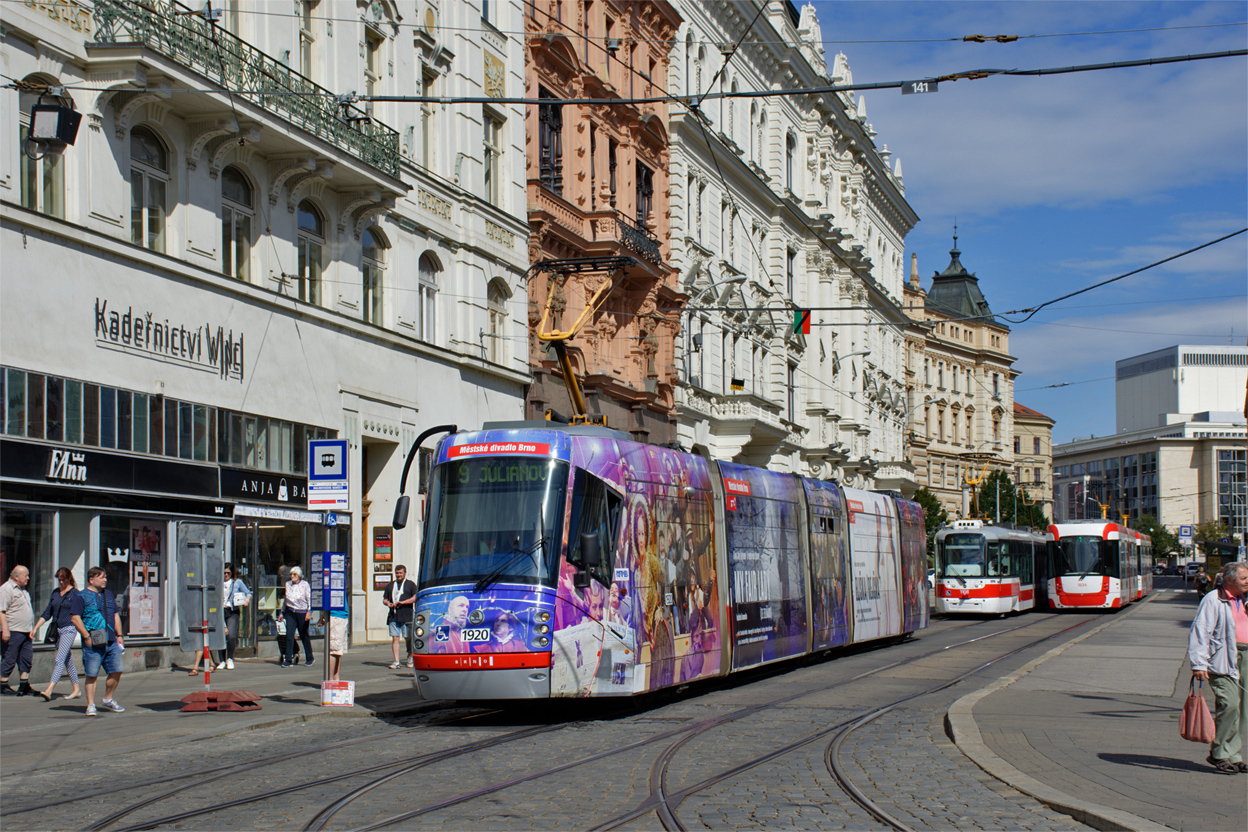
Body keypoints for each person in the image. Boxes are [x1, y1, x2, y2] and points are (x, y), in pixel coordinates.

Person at [1188, 561, 1248, 774]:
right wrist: (1198, 664)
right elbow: (1200, 630)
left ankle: (1233, 754)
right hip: (1222, 660)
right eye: (1244, 578)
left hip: (1245, 657)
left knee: (1243, 710)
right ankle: (1218, 753)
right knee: (1229, 705)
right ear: (1229, 580)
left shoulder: (1244, 599)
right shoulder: (1213, 599)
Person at [71, 566, 125, 716]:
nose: (105, 580)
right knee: (92, 674)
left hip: (111, 640)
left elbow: (115, 615)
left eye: (105, 577)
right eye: (101, 577)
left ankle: (107, 699)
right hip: (93, 640)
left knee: (117, 670)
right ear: (91, 579)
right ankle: (90, 705)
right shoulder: (82, 596)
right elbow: (75, 618)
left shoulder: (108, 594)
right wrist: (86, 636)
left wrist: (120, 635)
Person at [33, 567, 81, 701]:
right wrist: (36, 628)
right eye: (59, 580)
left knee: (59, 659)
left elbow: (80, 613)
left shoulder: (75, 594)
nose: (61, 582)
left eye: (63, 579)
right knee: (67, 660)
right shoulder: (55, 593)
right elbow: (47, 612)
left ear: (69, 578)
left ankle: (49, 690)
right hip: (57, 631)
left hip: (69, 629)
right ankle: (76, 689)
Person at [0, 565, 35, 696]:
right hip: (13, 630)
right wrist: (5, 629)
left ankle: (24, 685)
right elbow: (1, 611)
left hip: (26, 631)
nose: (28, 578)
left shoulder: (23, 590)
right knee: (9, 657)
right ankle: (2, 685)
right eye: (25, 576)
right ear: (16, 577)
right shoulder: (6, 589)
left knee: (26, 658)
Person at [215, 565, 251, 670]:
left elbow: (248, 592)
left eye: (228, 573)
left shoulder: (237, 582)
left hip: (232, 611)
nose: (226, 575)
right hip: (221, 610)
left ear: (232, 573)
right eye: (224, 573)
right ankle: (222, 660)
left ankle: (229, 658)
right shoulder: (218, 583)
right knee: (221, 636)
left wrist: (246, 600)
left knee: (231, 635)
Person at [277, 566, 313, 667]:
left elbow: (309, 598)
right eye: (291, 574)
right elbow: (286, 599)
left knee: (303, 634)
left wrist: (309, 611)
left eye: (294, 574)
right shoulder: (288, 584)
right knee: (289, 635)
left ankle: (310, 657)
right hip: (290, 611)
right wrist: (282, 612)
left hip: (302, 612)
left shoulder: (305, 584)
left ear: (299, 576)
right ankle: (288, 659)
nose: (292, 576)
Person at [382, 565, 416, 669]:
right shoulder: (390, 585)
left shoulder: (410, 584)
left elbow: (415, 597)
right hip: (394, 615)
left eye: (400, 573)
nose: (399, 575)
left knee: (408, 638)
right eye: (397, 573)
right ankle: (396, 661)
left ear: (405, 573)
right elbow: (385, 599)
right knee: (395, 638)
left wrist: (404, 602)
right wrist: (388, 603)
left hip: (407, 615)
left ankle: (410, 657)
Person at [318, 598, 349, 681]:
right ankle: (330, 679)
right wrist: (323, 615)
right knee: (333, 650)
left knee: (338, 651)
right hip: (335, 616)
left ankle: (336, 678)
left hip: (341, 615)